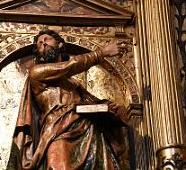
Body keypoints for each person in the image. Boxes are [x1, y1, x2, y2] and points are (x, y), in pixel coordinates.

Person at [7, 30, 128, 170]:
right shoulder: (37, 73)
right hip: (57, 132)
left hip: (87, 132)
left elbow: (91, 103)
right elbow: (69, 66)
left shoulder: (73, 84)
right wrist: (101, 53)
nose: (43, 43)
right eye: (39, 44)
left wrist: (110, 108)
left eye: (47, 39)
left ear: (60, 45)